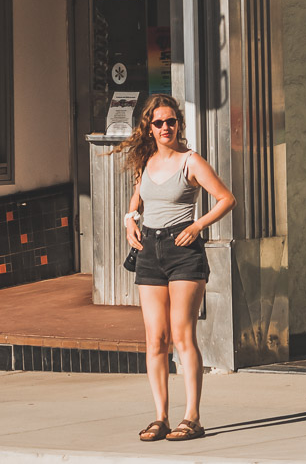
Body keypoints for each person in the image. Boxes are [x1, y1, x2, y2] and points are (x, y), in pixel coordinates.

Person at [120, 93, 235, 443]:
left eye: (171, 121)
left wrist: (197, 226)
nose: (165, 127)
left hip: (184, 251)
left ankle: (192, 417)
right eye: (159, 123)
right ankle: (160, 417)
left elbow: (226, 199)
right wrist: (129, 219)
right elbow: (138, 199)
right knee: (155, 339)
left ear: (178, 125)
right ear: (149, 128)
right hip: (149, 252)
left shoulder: (191, 161)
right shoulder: (146, 162)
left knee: (182, 335)